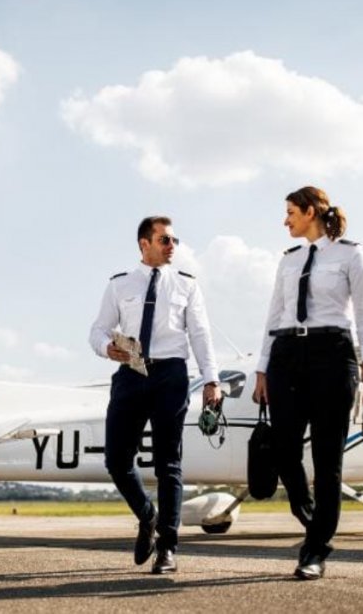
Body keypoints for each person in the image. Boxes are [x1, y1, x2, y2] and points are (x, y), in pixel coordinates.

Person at [252, 186, 363, 580]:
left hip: (332, 354)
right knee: (284, 450)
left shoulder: (350, 254)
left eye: (290, 212)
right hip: (286, 353)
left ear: (310, 212)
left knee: (327, 460)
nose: (285, 220)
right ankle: (312, 518)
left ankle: (316, 549)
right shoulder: (288, 260)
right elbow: (274, 315)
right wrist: (262, 368)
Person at [90, 215, 222, 575]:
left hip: (171, 376)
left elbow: (201, 335)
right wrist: (105, 347)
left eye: (174, 240)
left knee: (169, 465)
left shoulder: (186, 285)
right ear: (144, 244)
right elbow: (98, 329)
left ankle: (167, 547)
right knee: (116, 461)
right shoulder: (120, 284)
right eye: (165, 240)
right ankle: (147, 515)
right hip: (131, 372)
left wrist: (211, 380)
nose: (172, 246)